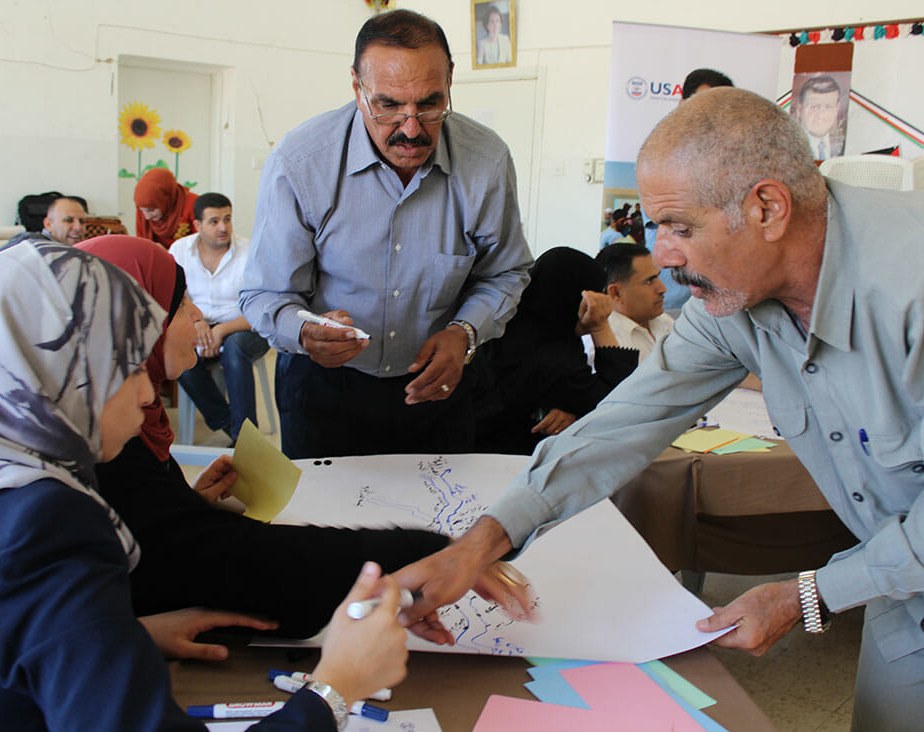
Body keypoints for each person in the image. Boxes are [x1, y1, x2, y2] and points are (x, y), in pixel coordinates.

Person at [394, 88, 924, 731]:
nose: (666, 258)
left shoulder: (909, 286)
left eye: (680, 228)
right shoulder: (730, 300)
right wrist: (482, 542)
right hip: (904, 591)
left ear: (767, 208)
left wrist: (807, 593)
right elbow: (623, 422)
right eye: (655, 228)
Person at [0, 240, 411, 730]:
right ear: (62, 374)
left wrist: (122, 633)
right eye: (128, 367)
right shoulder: (45, 524)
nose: (145, 391)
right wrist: (335, 687)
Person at [79, 235, 517, 639]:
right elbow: (226, 562)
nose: (197, 316)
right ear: (126, 329)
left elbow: (156, 540)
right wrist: (416, 552)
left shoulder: (119, 417)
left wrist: (187, 506)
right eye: (179, 304)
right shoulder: (104, 446)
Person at [240, 10, 532, 459]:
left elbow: (506, 273)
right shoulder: (301, 163)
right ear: (357, 89)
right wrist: (303, 332)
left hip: (440, 387)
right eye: (389, 106)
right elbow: (264, 294)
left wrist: (464, 332)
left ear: (450, 81)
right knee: (323, 508)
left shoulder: (485, 161)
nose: (411, 129)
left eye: (430, 104)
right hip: (324, 389)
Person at [474, 247, 637, 454]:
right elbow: (619, 404)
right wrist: (600, 328)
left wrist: (575, 410)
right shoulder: (552, 357)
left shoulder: (503, 330)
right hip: (511, 461)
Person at [170, 192, 269, 443]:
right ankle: (228, 423)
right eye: (214, 221)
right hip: (199, 324)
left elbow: (261, 309)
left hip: (246, 328)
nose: (223, 227)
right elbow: (174, 297)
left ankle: (246, 439)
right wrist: (196, 323)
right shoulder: (180, 251)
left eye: (227, 219)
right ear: (197, 225)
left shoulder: (250, 252)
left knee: (235, 348)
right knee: (176, 349)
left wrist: (221, 330)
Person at [595, 243, 673, 363]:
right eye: (649, 281)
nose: (663, 289)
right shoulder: (606, 343)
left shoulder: (664, 321)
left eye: (657, 277)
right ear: (616, 293)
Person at [134, 168, 198, 249]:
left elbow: (202, 246)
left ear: (166, 199)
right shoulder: (144, 206)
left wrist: (167, 253)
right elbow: (141, 241)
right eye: (141, 210)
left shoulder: (193, 204)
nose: (147, 217)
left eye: (151, 210)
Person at [4, 196, 88, 248]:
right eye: (68, 220)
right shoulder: (29, 245)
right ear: (48, 225)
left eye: (82, 221)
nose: (78, 227)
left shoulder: (84, 251)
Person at [796, 74, 845, 161]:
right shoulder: (788, 146)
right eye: (814, 106)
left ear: (837, 109)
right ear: (800, 109)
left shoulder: (843, 146)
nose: (821, 114)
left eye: (829, 106)